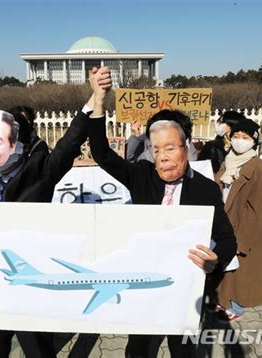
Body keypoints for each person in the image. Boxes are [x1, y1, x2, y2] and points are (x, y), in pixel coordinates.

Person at [0, 68, 112, 357]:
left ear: (19, 144)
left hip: (29, 287)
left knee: (38, 350)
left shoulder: (40, 172)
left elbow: (69, 142)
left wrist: (95, 98)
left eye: (1, 140)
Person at [87, 69, 237, 358]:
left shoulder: (205, 189)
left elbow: (227, 239)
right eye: (156, 150)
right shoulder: (142, 176)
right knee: (139, 350)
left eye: (170, 147)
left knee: (182, 350)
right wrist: (98, 99)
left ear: (187, 147)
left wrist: (215, 260)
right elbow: (102, 154)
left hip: (185, 289)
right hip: (143, 288)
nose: (164, 156)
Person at [214, 119, 262, 322]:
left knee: (241, 272)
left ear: (254, 141)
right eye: (236, 136)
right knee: (227, 269)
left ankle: (236, 307)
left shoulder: (258, 169)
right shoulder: (228, 161)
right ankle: (224, 300)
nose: (239, 141)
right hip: (226, 222)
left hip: (243, 229)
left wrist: (242, 240)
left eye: (245, 137)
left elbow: (257, 211)